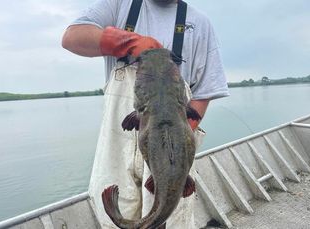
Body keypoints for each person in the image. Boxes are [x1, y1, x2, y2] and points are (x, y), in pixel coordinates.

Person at [62, 0, 229, 228]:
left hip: (173, 151)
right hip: (117, 147)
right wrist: (130, 42)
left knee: (173, 222)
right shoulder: (118, 5)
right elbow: (72, 37)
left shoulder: (199, 23)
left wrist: (174, 141)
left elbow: (205, 91)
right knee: (112, 217)